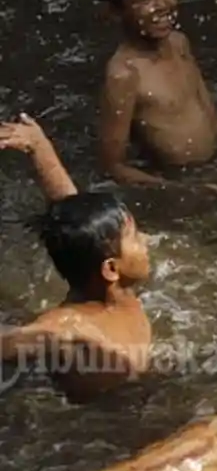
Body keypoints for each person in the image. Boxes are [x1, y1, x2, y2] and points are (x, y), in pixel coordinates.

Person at [0, 114, 153, 403]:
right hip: (101, 425)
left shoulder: (120, 288)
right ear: (111, 268)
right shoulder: (70, 327)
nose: (146, 241)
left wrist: (38, 146)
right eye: (135, 236)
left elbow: (78, 219)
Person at [98, 0, 217, 188]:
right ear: (116, 11)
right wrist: (180, 191)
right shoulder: (124, 76)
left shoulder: (179, 43)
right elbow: (114, 166)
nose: (163, 5)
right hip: (179, 181)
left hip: (216, 168)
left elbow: (210, 118)